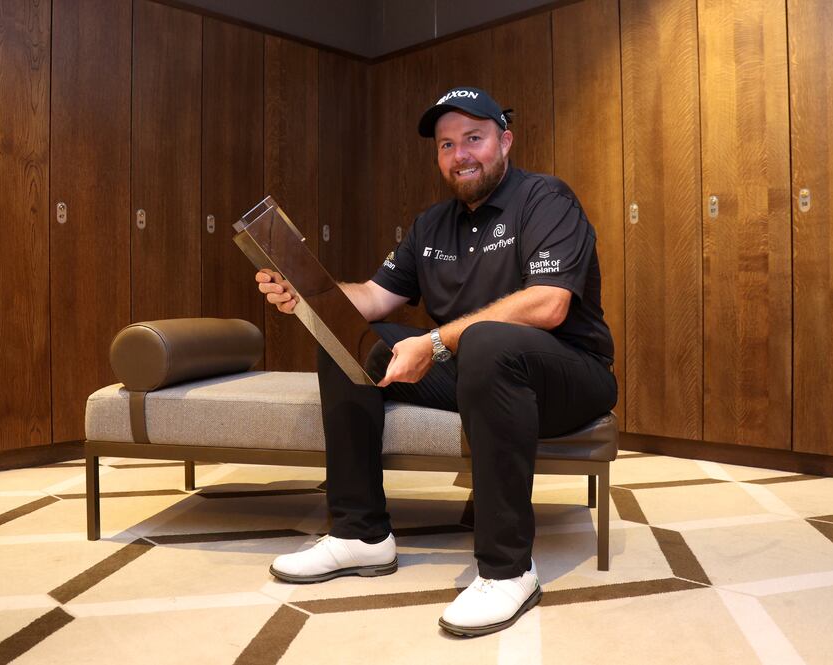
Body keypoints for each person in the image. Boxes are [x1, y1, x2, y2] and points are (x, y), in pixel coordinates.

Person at [255, 86, 617, 637]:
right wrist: (308, 295)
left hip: (568, 374)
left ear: (505, 141)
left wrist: (438, 342)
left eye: (474, 138)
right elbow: (374, 299)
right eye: (447, 145)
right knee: (351, 338)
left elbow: (549, 303)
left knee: (491, 340)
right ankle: (361, 534)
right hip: (477, 370)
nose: (460, 154)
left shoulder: (546, 199)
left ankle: (507, 570)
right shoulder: (431, 225)